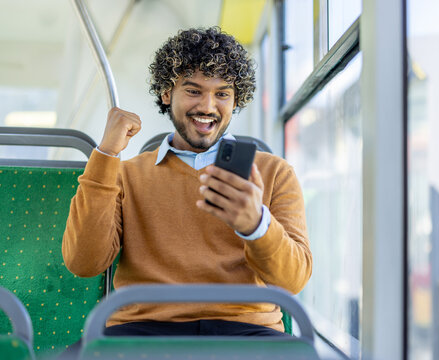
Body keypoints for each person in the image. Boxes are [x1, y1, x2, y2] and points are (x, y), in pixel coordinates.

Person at [62, 27, 312, 339]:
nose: (208, 106)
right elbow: (83, 263)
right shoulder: (125, 174)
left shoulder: (274, 173)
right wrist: (106, 154)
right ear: (167, 93)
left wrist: (256, 226)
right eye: (193, 91)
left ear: (236, 101)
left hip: (247, 330)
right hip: (141, 330)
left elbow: (294, 281)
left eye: (222, 94)